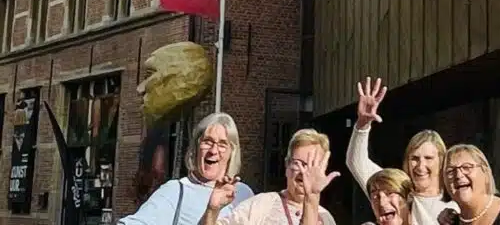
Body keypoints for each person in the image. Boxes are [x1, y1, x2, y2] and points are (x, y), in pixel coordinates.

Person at [347, 77, 457, 225]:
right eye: (414, 158)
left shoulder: (455, 204)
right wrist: (362, 125)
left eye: (428, 158)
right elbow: (356, 162)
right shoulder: (394, 190)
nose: (420, 166)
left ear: (442, 161)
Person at [118, 112, 254, 225]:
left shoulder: (243, 193)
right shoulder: (176, 191)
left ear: (232, 152)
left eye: (222, 144)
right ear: (195, 147)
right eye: (207, 142)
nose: (213, 151)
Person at [201, 128, 340, 225]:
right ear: (286, 165)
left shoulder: (325, 218)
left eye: (312, 165)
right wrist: (212, 211)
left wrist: (312, 198)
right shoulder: (261, 206)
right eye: (298, 163)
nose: (304, 172)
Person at [439, 144, 500, 225]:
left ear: (485, 172)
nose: (458, 175)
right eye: (450, 171)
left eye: (467, 167)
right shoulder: (450, 222)